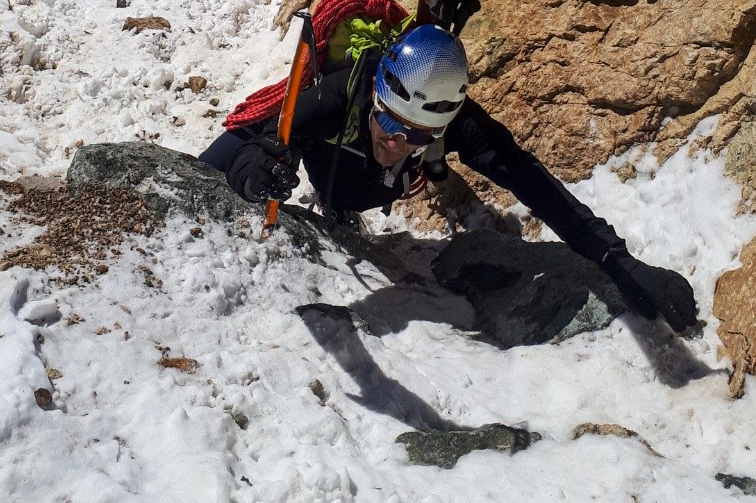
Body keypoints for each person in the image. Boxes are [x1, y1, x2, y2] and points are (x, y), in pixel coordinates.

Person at [201, 24, 698, 334]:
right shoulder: (341, 94)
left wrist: (617, 259)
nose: (398, 142)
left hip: (370, 188)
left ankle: (351, 203)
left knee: (368, 174)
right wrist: (254, 173)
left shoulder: (458, 120)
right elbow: (264, 141)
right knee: (232, 159)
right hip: (330, 162)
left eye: (417, 137)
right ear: (377, 101)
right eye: (391, 125)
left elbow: (533, 184)